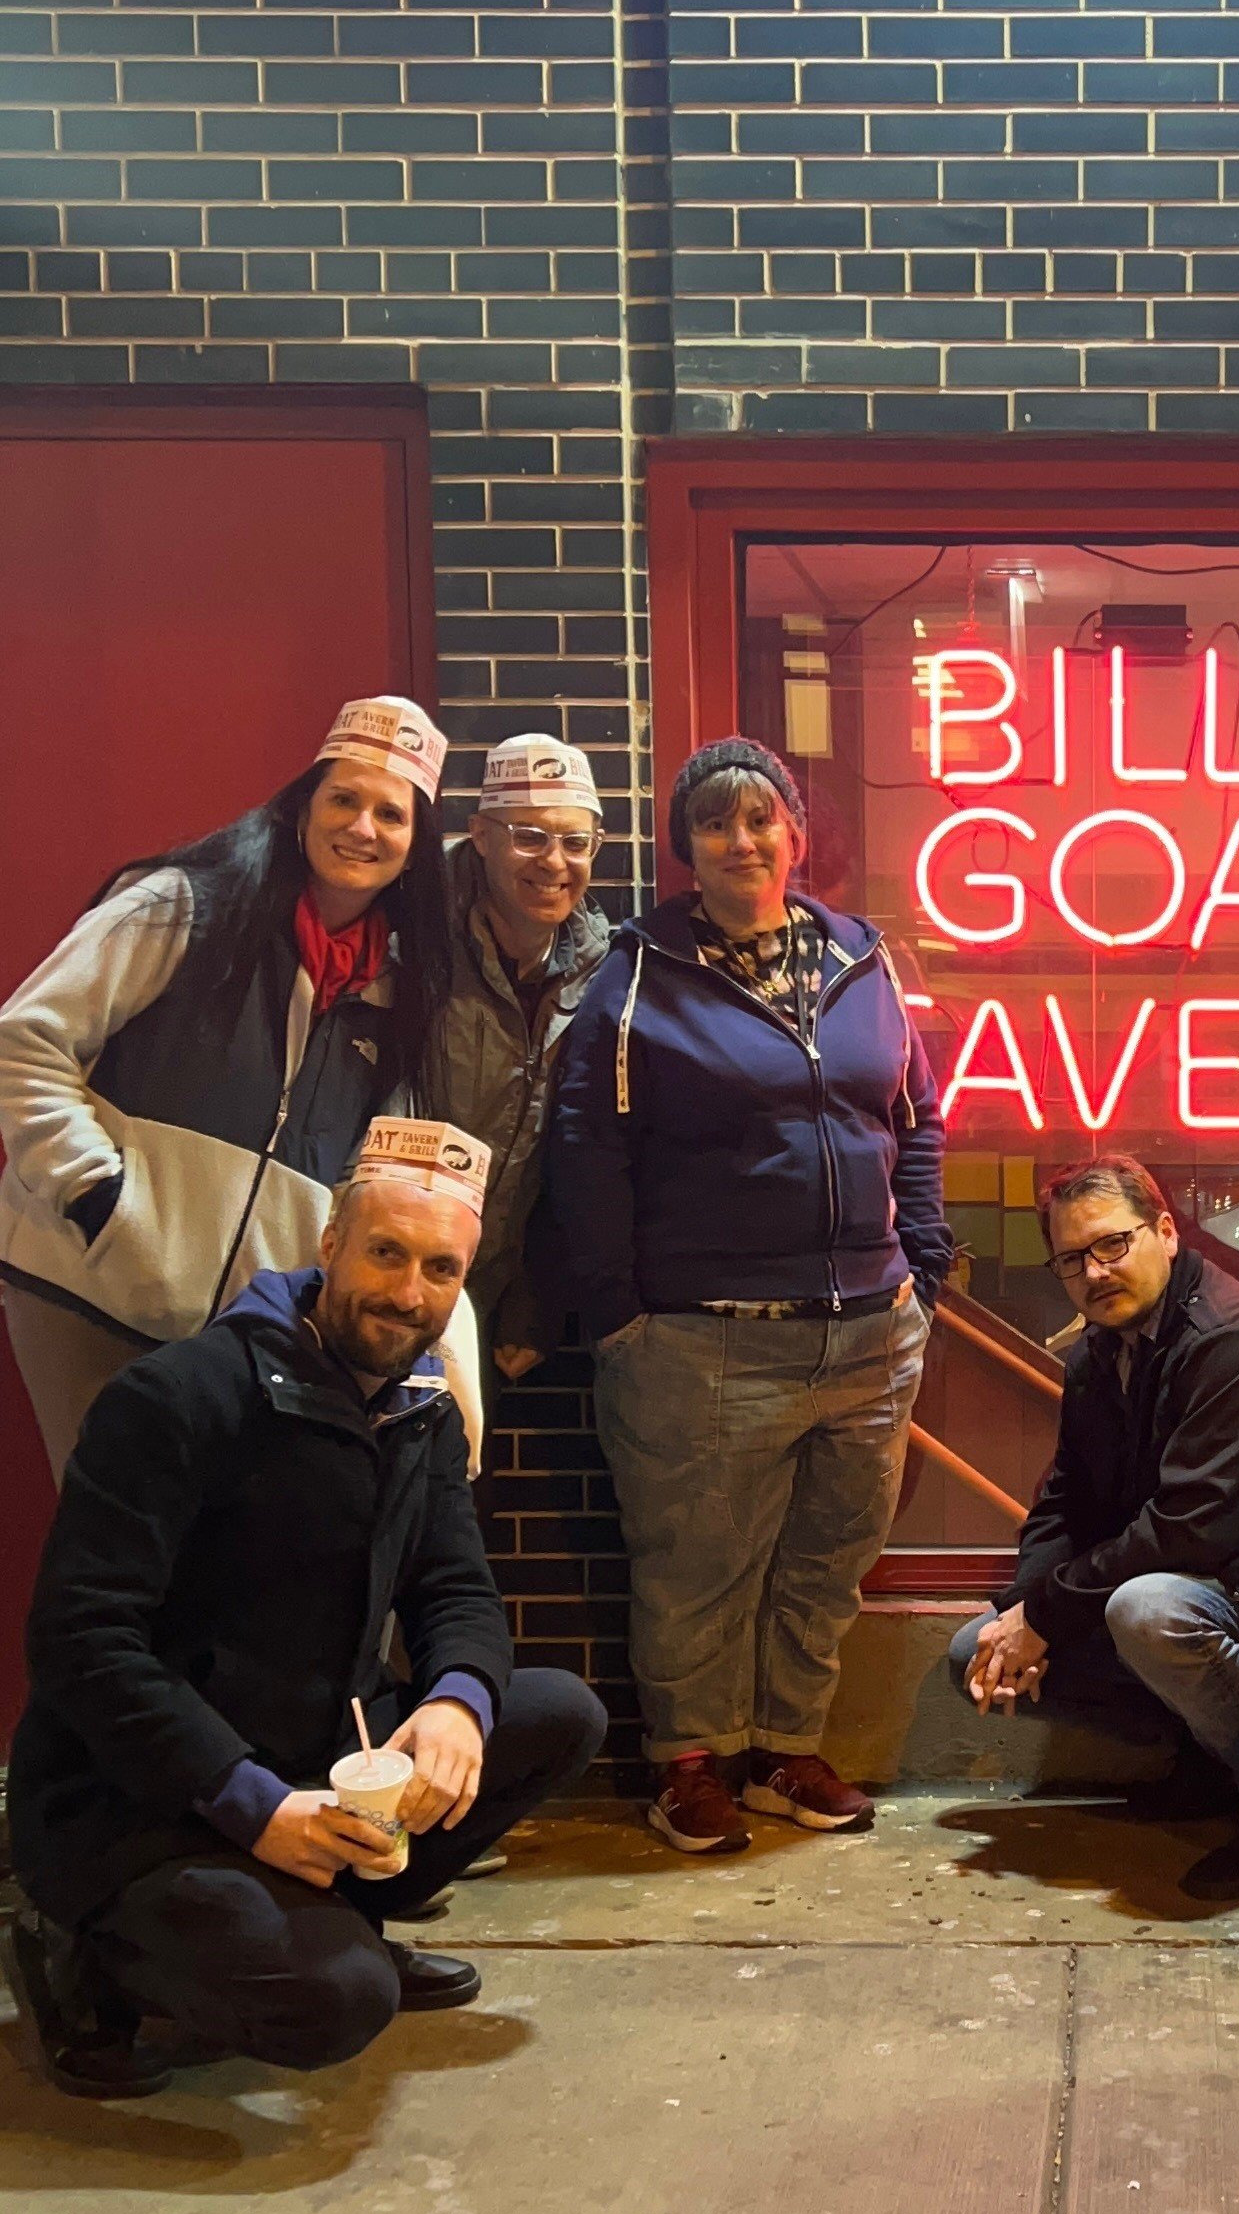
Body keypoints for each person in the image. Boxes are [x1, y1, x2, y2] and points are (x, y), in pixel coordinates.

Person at [1, 1117, 606, 2102]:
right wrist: (255, 1805)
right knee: (336, 2004)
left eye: (440, 1269)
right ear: (328, 1245)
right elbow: (81, 1640)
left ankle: (331, 1909)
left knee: (554, 1713)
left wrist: (457, 1700)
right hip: (145, 1800)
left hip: (318, 1761)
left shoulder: (422, 1408)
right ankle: (86, 1955)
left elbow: (456, 1587)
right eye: (385, 1254)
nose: (409, 1294)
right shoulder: (179, 1398)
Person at [550, 736, 952, 1856]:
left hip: (870, 1332)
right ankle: (689, 1764)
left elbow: (914, 1117)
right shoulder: (637, 982)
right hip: (702, 1338)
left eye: (761, 818)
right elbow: (587, 1151)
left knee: (826, 1563)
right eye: (716, 824)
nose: (742, 841)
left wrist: (920, 1257)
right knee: (693, 1568)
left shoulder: (860, 963)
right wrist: (620, 1312)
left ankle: (782, 1748)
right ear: (684, 848)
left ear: (795, 835)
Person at [0, 694, 459, 1477]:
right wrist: (95, 1194)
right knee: (110, 1556)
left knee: (217, 1574)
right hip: (91, 1287)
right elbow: (25, 1040)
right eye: (343, 799)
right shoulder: (184, 906)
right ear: (301, 808)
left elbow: (368, 1176)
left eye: (391, 814)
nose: (362, 828)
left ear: (415, 847)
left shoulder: (397, 991)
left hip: (252, 1330)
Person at [948, 1155, 1239, 1906]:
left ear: (1165, 1231)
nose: (1094, 1273)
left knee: (1149, 1610)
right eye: (1072, 1259)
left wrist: (1052, 1615)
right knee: (978, 1652)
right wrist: (1028, 1611)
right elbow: (1065, 1501)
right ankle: (1213, 1759)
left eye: (1112, 1245)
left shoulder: (1234, 1341)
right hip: (1197, 1596)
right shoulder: (1099, 1351)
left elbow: (1194, 1528)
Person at [432, 734, 612, 1380]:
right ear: (480, 835)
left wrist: (536, 1295)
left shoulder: (607, 975)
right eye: (530, 836)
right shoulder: (415, 944)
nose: (555, 862)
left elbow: (581, 1156)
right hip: (387, 1274)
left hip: (490, 1305)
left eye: (576, 841)